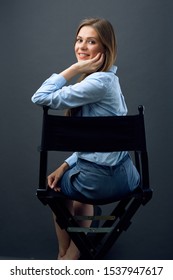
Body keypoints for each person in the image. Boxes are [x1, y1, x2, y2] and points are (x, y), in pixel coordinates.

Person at [31, 18, 140, 260]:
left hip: (97, 181)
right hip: (127, 177)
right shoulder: (111, 81)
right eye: (79, 40)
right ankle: (74, 252)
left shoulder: (96, 83)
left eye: (91, 41)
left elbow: (40, 97)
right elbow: (98, 142)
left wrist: (73, 69)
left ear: (104, 49)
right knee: (72, 179)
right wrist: (65, 165)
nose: (81, 47)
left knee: (60, 190)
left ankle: (67, 256)